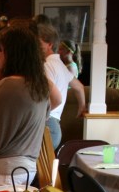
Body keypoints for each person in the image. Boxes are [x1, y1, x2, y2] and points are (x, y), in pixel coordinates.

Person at [0, 24, 60, 188]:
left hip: (1, 171)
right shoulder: (41, 84)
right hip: (27, 169)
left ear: (12, 54)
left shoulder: (7, 84)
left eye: (0, 51)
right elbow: (58, 99)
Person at [37, 22, 87, 150]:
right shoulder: (60, 65)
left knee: (36, 168)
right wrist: (81, 108)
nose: (35, 46)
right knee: (44, 168)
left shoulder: (46, 65)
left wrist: (40, 115)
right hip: (55, 128)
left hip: (47, 126)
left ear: (49, 44)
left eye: (38, 42)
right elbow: (79, 87)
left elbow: (57, 99)